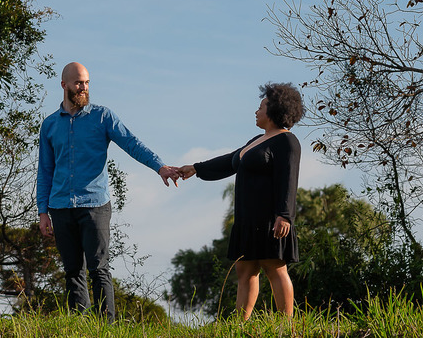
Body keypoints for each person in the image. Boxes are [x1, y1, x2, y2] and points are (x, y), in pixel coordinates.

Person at [37, 61, 180, 319]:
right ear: (64, 85)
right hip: (59, 207)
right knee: (72, 271)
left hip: (94, 205)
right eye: (79, 82)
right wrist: (42, 211)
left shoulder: (103, 117)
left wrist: (160, 167)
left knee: (98, 269)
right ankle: (80, 327)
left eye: (87, 82)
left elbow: (132, 143)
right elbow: (45, 170)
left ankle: (107, 328)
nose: (84, 87)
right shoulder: (49, 125)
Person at [180, 82, 305, 320]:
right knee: (245, 270)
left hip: (271, 218)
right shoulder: (257, 139)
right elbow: (230, 161)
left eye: (261, 107)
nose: (256, 111)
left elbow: (289, 178)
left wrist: (284, 215)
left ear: (275, 111)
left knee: (274, 268)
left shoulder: (287, 141)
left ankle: (286, 327)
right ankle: (239, 325)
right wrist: (196, 168)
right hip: (247, 218)